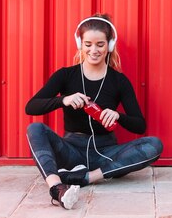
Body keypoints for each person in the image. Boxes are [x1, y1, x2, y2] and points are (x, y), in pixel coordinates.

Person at [25, 14, 163, 209]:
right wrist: (63, 100)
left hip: (105, 153)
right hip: (71, 150)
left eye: (100, 44)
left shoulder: (119, 81)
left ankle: (86, 177)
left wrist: (118, 116)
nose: (94, 50)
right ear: (80, 43)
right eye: (88, 44)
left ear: (110, 45)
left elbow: (140, 125)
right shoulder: (65, 75)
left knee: (154, 144)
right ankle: (57, 188)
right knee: (35, 128)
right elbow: (31, 106)